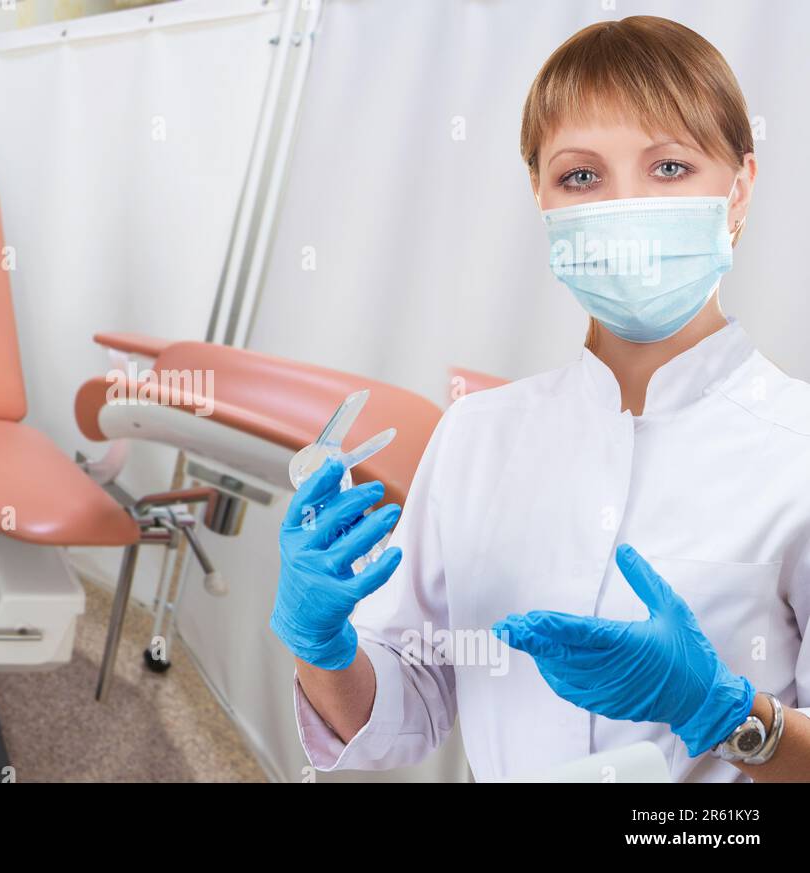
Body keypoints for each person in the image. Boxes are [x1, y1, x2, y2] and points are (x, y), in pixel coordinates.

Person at [270, 15, 809, 782]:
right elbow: (408, 708)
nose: (623, 210)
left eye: (669, 168)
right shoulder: (477, 434)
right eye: (582, 176)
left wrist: (729, 716)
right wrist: (322, 647)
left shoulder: (799, 451)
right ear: (541, 197)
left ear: (741, 187)